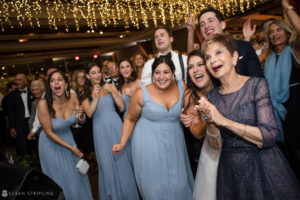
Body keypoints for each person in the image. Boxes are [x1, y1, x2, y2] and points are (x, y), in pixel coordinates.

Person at [197, 33, 300, 200]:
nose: (212, 60)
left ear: (234, 57)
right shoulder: (212, 98)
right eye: (207, 57)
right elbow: (216, 145)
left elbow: (270, 135)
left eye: (218, 53)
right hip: (230, 171)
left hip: (263, 166)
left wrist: (224, 121)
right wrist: (210, 122)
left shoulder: (256, 85)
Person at [113, 56, 194, 200]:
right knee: (156, 188)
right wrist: (122, 142)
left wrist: (188, 117)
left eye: (166, 72)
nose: (161, 77)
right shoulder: (140, 94)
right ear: (152, 74)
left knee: (179, 185)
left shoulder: (182, 86)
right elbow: (130, 119)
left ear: (173, 73)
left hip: (175, 142)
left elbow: (191, 111)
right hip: (148, 144)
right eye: (157, 73)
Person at [81, 62, 139, 200]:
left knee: (123, 160)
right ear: (88, 76)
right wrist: (95, 97)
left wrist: (113, 91)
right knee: (106, 162)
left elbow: (122, 107)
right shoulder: (85, 93)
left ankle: (128, 193)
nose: (97, 75)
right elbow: (89, 114)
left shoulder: (109, 86)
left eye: (98, 72)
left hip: (115, 124)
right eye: (93, 73)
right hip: (99, 129)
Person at [38, 70, 93, 200]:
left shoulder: (73, 98)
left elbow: (81, 121)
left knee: (78, 176)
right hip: (50, 145)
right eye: (52, 81)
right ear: (49, 86)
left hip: (68, 139)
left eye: (60, 80)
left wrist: (81, 116)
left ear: (66, 84)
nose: (56, 83)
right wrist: (71, 148)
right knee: (61, 180)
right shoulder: (43, 104)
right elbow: (49, 133)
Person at [264, 0, 300, 180]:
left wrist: (288, 8)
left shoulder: (294, 51)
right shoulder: (268, 59)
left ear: (287, 31)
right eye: (271, 32)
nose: (274, 34)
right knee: (287, 159)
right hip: (276, 115)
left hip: (296, 111)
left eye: (278, 29)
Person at [179, 50, 220, 200]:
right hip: (208, 152)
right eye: (190, 67)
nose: (195, 69)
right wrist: (209, 118)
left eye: (200, 64)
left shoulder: (224, 85)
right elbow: (196, 132)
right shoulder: (190, 95)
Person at [186, 7, 263, 77]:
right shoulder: (202, 56)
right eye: (202, 24)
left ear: (222, 25)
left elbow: (257, 80)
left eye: (210, 20)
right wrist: (190, 31)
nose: (206, 26)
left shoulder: (244, 47)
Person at [7, 73, 35, 156]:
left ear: (26, 81)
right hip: (19, 124)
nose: (17, 82)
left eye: (20, 80)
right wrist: (12, 127)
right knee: (22, 147)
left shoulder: (33, 92)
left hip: (33, 122)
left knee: (35, 145)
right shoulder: (11, 95)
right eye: (16, 80)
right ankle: (26, 166)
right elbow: (10, 112)